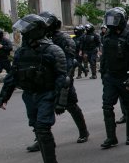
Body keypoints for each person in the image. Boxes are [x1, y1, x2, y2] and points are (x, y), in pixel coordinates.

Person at [0, 14, 69, 163]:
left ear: (36, 31)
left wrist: (61, 102)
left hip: (47, 93)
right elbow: (13, 75)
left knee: (43, 128)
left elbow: (63, 79)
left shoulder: (53, 50)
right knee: (37, 128)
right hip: (30, 95)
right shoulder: (22, 51)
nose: (23, 34)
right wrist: (4, 95)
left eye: (26, 31)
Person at [34, 11, 89, 147]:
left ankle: (83, 131)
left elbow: (69, 63)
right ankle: (40, 138)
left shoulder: (64, 39)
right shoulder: (39, 39)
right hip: (45, 79)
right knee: (42, 109)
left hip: (62, 77)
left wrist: (65, 82)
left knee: (71, 105)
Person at [99, 7, 129, 149]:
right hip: (111, 77)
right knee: (107, 107)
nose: (112, 23)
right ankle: (111, 137)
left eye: (114, 20)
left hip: (126, 76)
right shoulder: (107, 37)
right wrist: (103, 74)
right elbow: (104, 58)